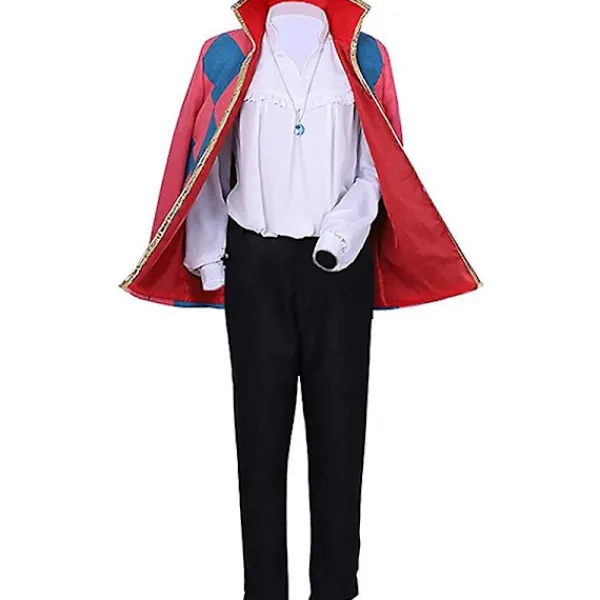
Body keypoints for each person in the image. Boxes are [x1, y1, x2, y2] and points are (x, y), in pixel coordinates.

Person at [120, 2, 481, 599]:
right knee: (259, 435)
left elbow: (378, 167)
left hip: (339, 266)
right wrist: (207, 257)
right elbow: (207, 160)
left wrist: (342, 234)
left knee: (340, 432)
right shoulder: (227, 55)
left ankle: (336, 588)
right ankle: (263, 590)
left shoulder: (365, 56)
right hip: (255, 263)